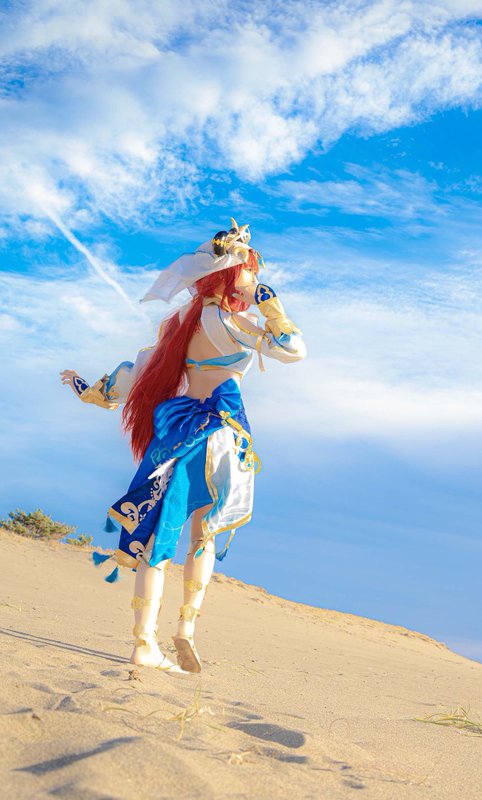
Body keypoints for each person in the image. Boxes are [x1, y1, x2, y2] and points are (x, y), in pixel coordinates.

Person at [60, 220, 306, 673]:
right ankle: (185, 631)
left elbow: (134, 376)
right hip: (220, 433)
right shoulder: (232, 322)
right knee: (204, 534)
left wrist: (87, 390)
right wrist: (271, 305)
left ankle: (143, 642)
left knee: (159, 535)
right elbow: (293, 350)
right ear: (232, 276)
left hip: (176, 429)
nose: (253, 279)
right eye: (249, 272)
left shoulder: (177, 326)